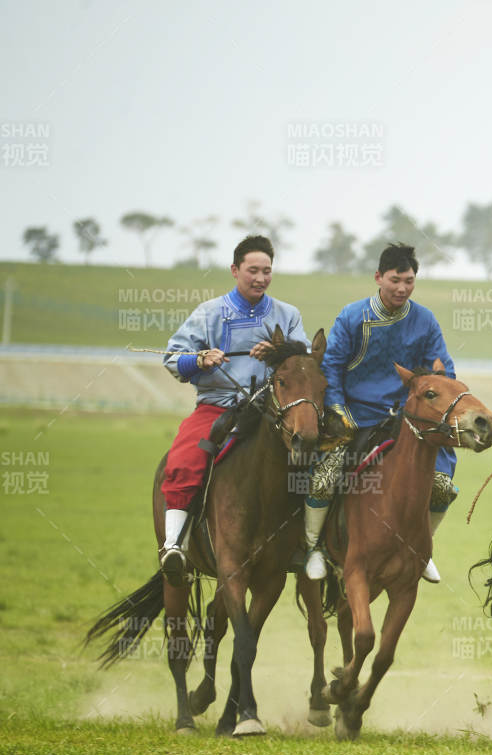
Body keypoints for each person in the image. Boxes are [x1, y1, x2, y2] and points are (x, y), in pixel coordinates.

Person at [302, 243, 456, 584]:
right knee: (325, 476)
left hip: (409, 422)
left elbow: (442, 371)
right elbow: (332, 367)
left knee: (442, 486)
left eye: (409, 281)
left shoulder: (425, 320)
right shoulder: (351, 316)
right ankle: (314, 548)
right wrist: (339, 412)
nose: (402, 288)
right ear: (378, 277)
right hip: (356, 417)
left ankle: (422, 549)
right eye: (395, 280)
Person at [159, 234, 309, 579]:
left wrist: (278, 350)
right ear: (234, 270)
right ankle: (173, 545)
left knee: (311, 457)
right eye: (252, 270)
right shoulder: (208, 313)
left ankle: (308, 544)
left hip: (271, 411)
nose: (260, 278)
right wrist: (200, 358)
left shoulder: (288, 315)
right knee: (184, 459)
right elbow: (172, 357)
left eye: (266, 271)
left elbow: (304, 358)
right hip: (217, 408)